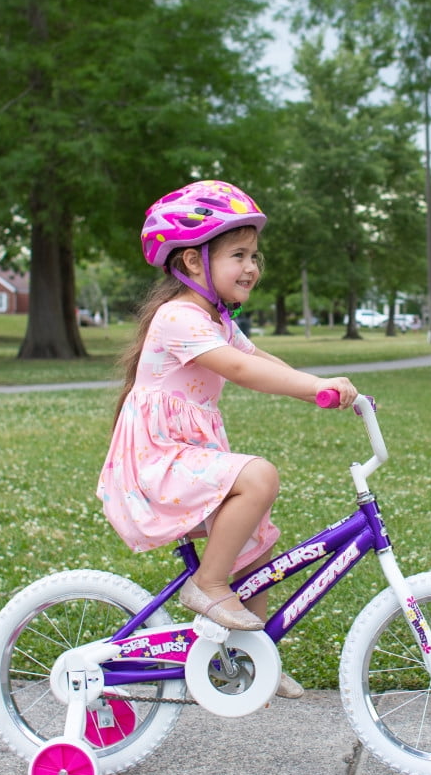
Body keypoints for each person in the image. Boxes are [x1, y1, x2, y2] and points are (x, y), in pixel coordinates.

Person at [97, 181, 357, 698]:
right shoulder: (178, 318)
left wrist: (323, 385)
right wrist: (314, 392)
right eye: (238, 254)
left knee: (257, 543)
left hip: (186, 459)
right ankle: (208, 587)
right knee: (259, 475)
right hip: (158, 465)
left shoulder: (217, 319)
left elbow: (260, 359)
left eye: (254, 255)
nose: (252, 267)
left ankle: (251, 659)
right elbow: (239, 369)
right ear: (194, 262)